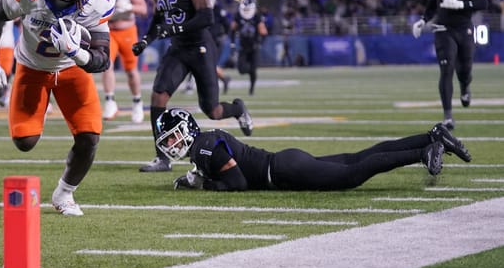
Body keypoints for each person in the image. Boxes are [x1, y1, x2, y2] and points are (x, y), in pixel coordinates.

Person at [0, 0, 115, 216]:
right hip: (32, 67)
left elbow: (102, 59)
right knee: (25, 142)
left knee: (89, 136)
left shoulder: (97, 2)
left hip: (71, 70)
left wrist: (76, 52)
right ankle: (37, 115)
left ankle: (64, 193)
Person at [131, 0, 254, 173]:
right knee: (158, 97)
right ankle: (162, 158)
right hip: (178, 48)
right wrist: (146, 40)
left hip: (200, 48)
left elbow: (206, 17)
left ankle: (238, 109)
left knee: (213, 110)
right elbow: (158, 18)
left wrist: (174, 28)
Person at [154, 108, 472, 192]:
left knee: (352, 174)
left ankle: (422, 151)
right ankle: (431, 136)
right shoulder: (204, 145)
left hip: (283, 170)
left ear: (185, 129)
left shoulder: (204, 148)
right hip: (284, 162)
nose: (170, 145)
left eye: (171, 138)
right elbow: (215, 168)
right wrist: (195, 178)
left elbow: (237, 183)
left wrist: (206, 185)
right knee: (358, 157)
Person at [412, 0, 489, 130]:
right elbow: (432, 5)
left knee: (465, 69)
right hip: (443, 29)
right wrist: (423, 20)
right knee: (446, 70)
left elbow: (483, 2)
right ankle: (448, 116)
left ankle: (465, 86)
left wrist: (461, 4)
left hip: (464, 27)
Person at [99, 0, 147, 123]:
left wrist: (128, 6)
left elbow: (143, 9)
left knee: (131, 71)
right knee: (106, 65)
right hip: (108, 30)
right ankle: (110, 101)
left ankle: (137, 102)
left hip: (127, 30)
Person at [231, 0, 268, 95]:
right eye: (245, 9)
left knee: (253, 69)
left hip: (254, 47)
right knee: (241, 69)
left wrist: (260, 43)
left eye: (248, 9)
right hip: (243, 47)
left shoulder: (257, 17)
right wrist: (232, 43)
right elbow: (232, 30)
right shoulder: (238, 16)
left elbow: (264, 32)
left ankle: (251, 89)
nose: (246, 11)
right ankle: (251, 71)